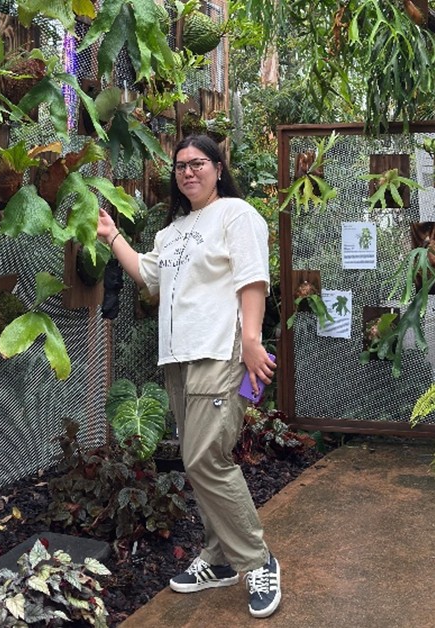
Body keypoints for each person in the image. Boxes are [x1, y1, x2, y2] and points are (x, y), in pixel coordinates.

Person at [97, 134, 281, 618]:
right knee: (197, 458)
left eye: (198, 163)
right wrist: (111, 235)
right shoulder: (172, 231)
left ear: (218, 168)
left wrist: (251, 340)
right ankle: (218, 558)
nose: (188, 172)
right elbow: (148, 275)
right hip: (178, 358)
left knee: (204, 458)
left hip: (220, 351)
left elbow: (252, 278)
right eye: (180, 166)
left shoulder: (236, 214)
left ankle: (258, 560)